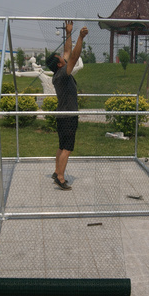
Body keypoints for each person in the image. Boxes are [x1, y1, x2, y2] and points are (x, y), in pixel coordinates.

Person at [46, 21, 88, 190]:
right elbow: (73, 56)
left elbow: (67, 51)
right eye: (60, 59)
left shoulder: (58, 74)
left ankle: (57, 171)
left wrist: (68, 32)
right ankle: (61, 178)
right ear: (59, 64)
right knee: (68, 148)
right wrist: (80, 37)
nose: (63, 57)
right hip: (69, 116)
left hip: (61, 116)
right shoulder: (63, 74)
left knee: (62, 145)